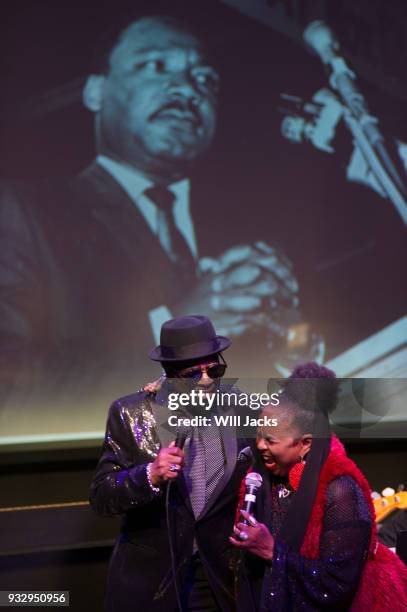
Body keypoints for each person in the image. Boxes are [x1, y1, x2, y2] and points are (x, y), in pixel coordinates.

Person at [0, 14, 309, 429]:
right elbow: (13, 398)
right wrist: (177, 338)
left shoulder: (250, 228)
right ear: (96, 91)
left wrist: (293, 345)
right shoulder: (25, 213)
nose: (187, 88)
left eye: (206, 79)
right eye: (154, 66)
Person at [89, 314, 254, 612]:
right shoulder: (131, 413)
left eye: (215, 369)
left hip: (217, 576)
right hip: (154, 580)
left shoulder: (239, 406)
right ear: (169, 372)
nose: (206, 380)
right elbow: (102, 496)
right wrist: (149, 475)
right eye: (193, 374)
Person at [230, 362, 407, 611]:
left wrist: (274, 552)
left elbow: (338, 583)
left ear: (306, 444)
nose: (260, 445)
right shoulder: (260, 479)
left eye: (270, 439)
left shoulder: (340, 490)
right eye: (258, 435)